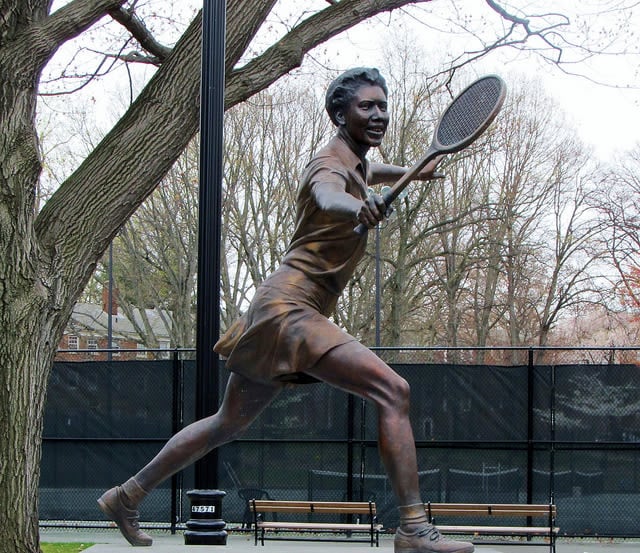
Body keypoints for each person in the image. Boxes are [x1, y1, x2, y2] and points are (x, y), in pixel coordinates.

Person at [98, 67, 473, 553]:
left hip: (278, 307)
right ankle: (414, 530)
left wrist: (413, 171)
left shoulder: (357, 163)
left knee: (225, 424)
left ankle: (126, 495)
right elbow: (327, 192)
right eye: (367, 106)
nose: (379, 114)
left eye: (383, 105)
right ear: (340, 114)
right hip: (289, 308)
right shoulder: (329, 164)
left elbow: (373, 174)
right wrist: (357, 208)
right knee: (393, 392)